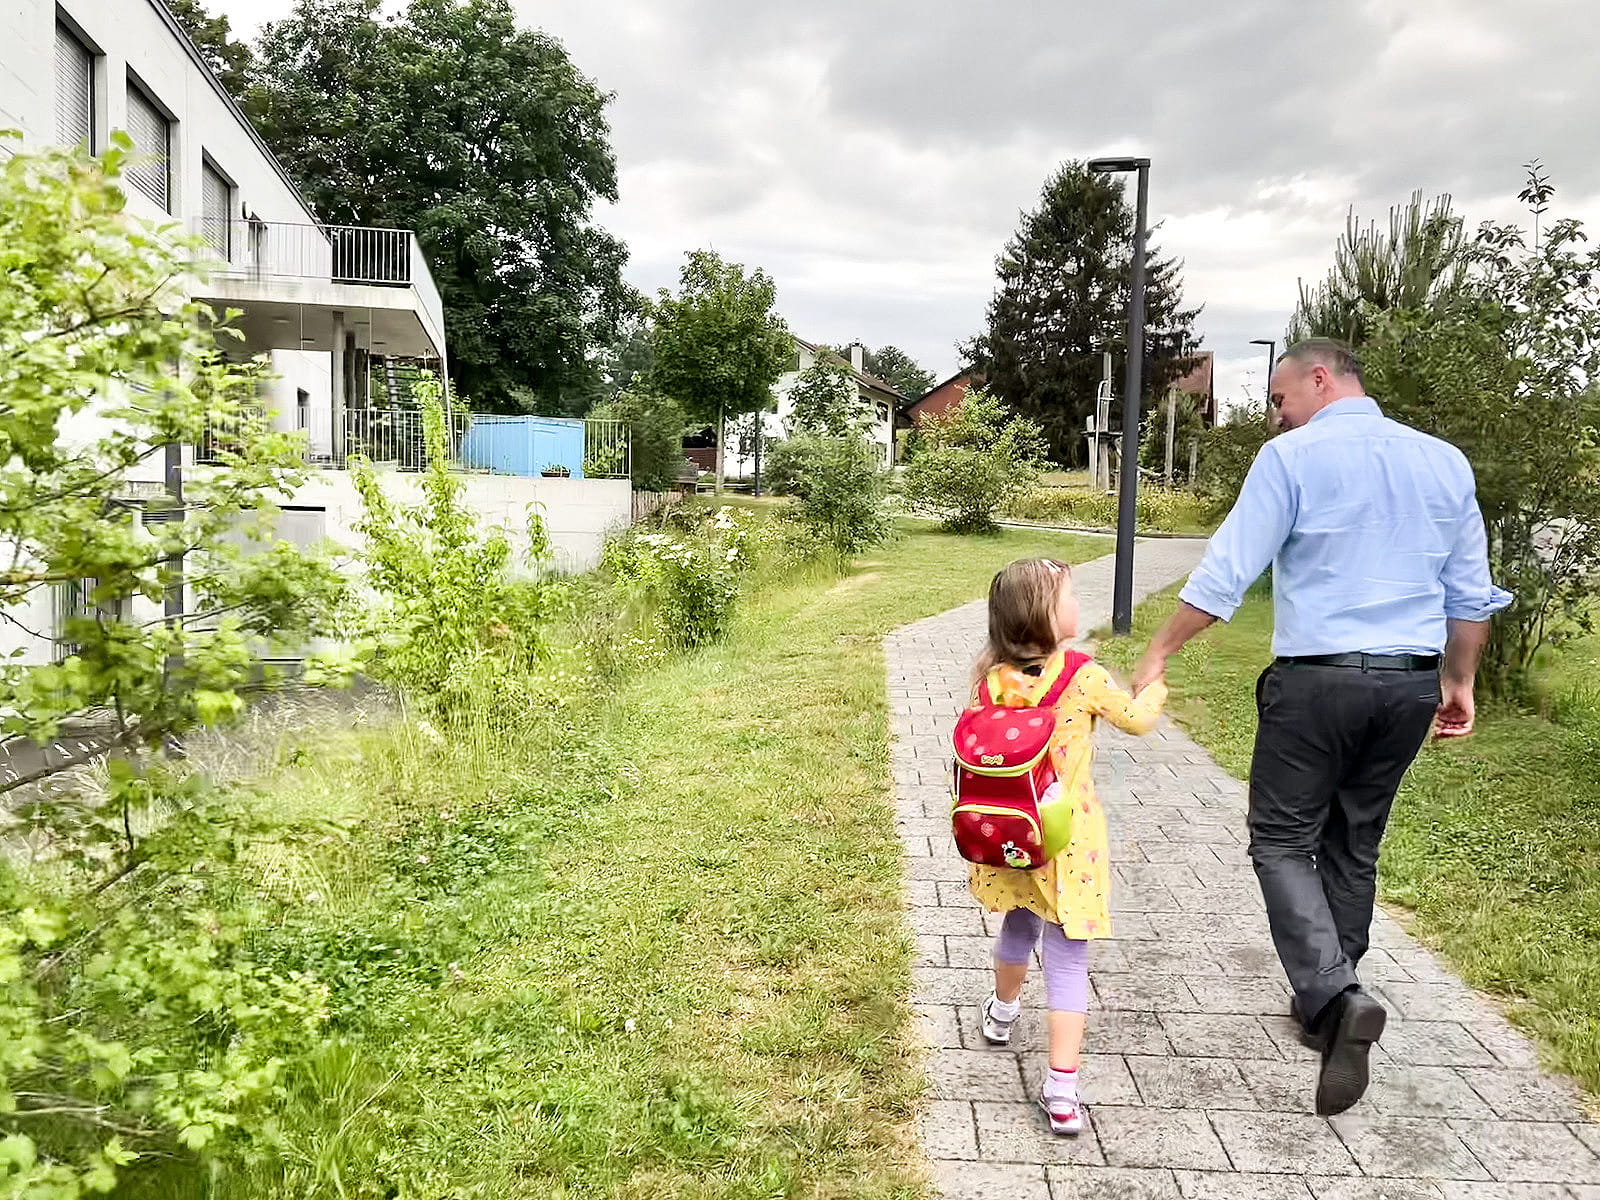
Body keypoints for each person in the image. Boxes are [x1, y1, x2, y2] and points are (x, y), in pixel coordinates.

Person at [1132, 338, 1510, 1116]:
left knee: (1280, 839)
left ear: (1319, 378)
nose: (1277, 416)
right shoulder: (1445, 462)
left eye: (1279, 400)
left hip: (1317, 682)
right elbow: (1469, 591)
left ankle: (1336, 998)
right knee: (1354, 839)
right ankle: (1328, 1007)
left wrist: (1161, 649)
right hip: (1408, 684)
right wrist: (1459, 680)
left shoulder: (1292, 459)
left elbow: (1229, 568)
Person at [968, 558, 1167, 1134]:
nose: (1078, 606)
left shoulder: (991, 680)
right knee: (1068, 958)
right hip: (1069, 842)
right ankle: (1060, 1091)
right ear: (1045, 616)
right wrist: (1153, 688)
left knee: (1020, 924)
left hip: (1012, 835)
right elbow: (1135, 720)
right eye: (1070, 597)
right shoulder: (1083, 675)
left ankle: (1003, 1013)